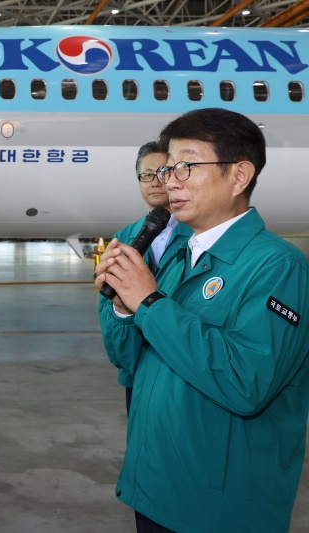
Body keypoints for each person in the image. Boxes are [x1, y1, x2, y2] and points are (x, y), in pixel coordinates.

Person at [95, 107, 309, 532]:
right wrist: (123, 306)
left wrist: (151, 302)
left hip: (216, 506)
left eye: (186, 166)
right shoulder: (177, 256)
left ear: (239, 176)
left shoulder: (278, 266)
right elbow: (129, 361)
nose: (168, 180)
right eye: (169, 168)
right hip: (155, 485)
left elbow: (246, 383)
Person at [98, 141, 191, 414]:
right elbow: (107, 312)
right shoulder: (125, 237)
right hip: (136, 370)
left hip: (181, 371)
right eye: (145, 175)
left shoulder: (198, 234)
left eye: (162, 172)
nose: (154, 182)